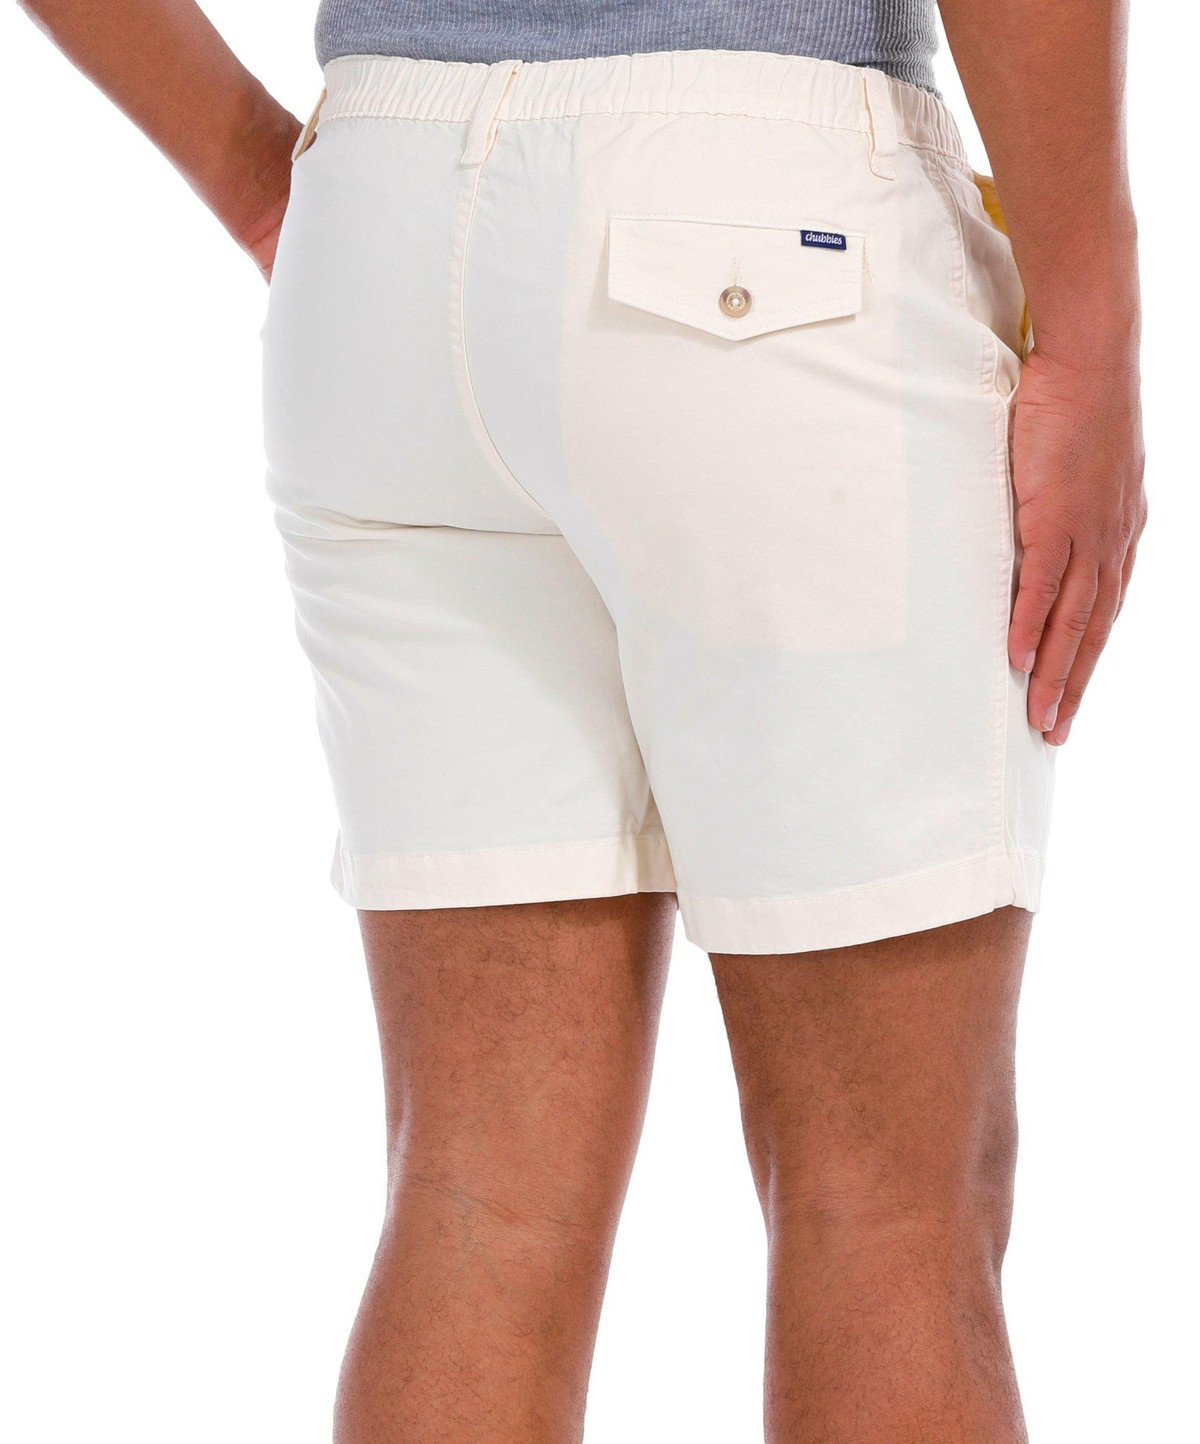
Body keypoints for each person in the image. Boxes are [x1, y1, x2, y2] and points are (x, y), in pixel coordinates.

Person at [19, 1, 1145, 1440]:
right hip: (761, 226)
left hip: (382, 225)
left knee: (477, 1194)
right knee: (889, 1208)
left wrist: (256, 172)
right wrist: (1090, 330)